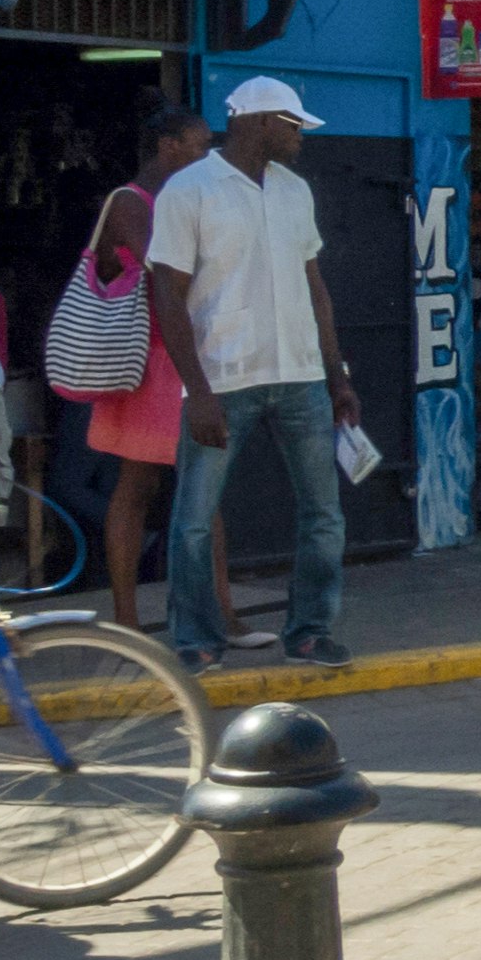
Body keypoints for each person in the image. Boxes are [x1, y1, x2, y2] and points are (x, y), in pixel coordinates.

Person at [148, 75, 362, 671]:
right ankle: (194, 638)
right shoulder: (188, 191)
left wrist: (337, 375)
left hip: (300, 378)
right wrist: (197, 391)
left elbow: (315, 288)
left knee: (324, 514)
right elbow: (168, 294)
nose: (300, 136)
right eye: (292, 124)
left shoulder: (296, 191)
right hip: (223, 379)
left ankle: (310, 632)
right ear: (258, 122)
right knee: (193, 519)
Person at [75, 105, 223, 633]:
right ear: (169, 147)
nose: (208, 155)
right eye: (199, 145)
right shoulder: (130, 203)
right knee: (141, 488)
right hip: (149, 362)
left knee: (198, 487)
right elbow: (166, 269)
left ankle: (216, 615)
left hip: (178, 358)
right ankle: (128, 622)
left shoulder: (177, 199)